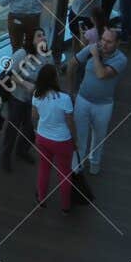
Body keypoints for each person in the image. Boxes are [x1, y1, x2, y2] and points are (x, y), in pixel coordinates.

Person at [74, 26, 127, 176]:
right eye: (103, 39)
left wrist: (95, 56)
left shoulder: (121, 59)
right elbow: (73, 63)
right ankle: (77, 167)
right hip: (82, 99)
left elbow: (102, 74)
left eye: (109, 42)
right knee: (80, 136)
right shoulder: (93, 48)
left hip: (103, 105)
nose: (104, 44)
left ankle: (94, 165)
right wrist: (72, 91)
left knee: (99, 137)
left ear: (117, 44)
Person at [30, 62, 78, 212]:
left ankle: (41, 199)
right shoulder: (65, 99)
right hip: (62, 140)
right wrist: (74, 141)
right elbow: (70, 123)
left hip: (43, 138)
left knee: (44, 168)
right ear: (54, 79)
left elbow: (34, 116)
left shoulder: (36, 95)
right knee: (64, 172)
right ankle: (65, 206)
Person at [1, 28, 46, 170]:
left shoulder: (44, 56)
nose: (43, 38)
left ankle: (22, 150)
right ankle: (5, 157)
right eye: (39, 36)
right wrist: (25, 83)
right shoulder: (21, 54)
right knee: (13, 128)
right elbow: (8, 74)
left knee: (29, 129)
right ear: (31, 40)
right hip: (17, 97)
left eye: (44, 35)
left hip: (32, 99)